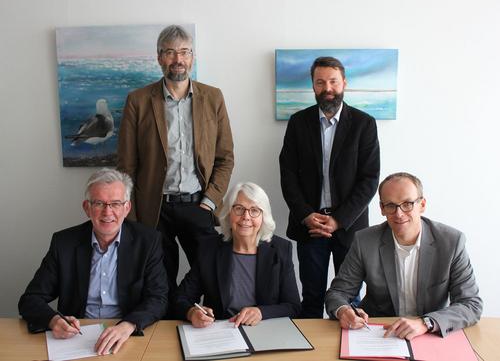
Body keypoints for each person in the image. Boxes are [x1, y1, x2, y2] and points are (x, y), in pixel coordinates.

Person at [117, 25, 234, 301]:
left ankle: (212, 336)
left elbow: (225, 157)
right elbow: (126, 165)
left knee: (212, 277)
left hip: (198, 204)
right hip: (155, 210)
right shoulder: (138, 100)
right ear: (159, 58)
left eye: (184, 52)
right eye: (170, 52)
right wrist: (131, 217)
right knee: (159, 283)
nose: (177, 59)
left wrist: (210, 200)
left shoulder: (213, 97)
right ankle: (163, 339)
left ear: (192, 57)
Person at [18, 168, 168, 355]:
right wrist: (54, 320)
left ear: (127, 208)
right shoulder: (64, 243)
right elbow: (30, 299)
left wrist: (128, 325)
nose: (108, 212)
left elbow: (158, 298)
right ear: (87, 208)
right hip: (76, 338)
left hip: (125, 336)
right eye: (99, 203)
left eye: (115, 203)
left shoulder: (148, 241)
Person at [325, 172, 483, 339]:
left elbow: (471, 304)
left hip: (429, 333)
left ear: (422, 204)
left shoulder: (451, 242)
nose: (399, 214)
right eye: (391, 205)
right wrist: (343, 311)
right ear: (382, 209)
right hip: (378, 334)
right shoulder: (364, 241)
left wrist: (426, 323)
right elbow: (337, 293)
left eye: (407, 204)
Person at [279, 56, 380, 318]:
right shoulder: (298, 123)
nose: (328, 88)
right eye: (320, 82)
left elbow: (369, 180)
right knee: (311, 297)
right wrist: (305, 215)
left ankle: (352, 352)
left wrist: (338, 219)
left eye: (333, 81)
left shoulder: (364, 124)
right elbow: (287, 175)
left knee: (350, 300)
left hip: (350, 227)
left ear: (344, 83)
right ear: (313, 86)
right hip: (310, 226)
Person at [173, 182, 301, 328]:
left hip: (265, 329)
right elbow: (180, 298)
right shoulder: (210, 248)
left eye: (254, 210)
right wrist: (192, 312)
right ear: (228, 213)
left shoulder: (281, 249)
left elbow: (293, 306)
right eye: (239, 209)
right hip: (222, 331)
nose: (246, 217)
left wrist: (261, 312)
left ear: (263, 216)